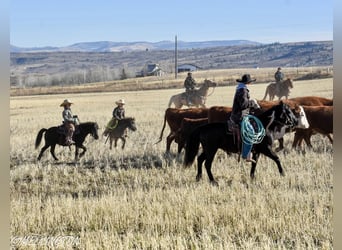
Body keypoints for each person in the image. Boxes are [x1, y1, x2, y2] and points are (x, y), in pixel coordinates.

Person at [230, 74, 258, 163]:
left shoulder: (241, 88)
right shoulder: (243, 90)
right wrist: (253, 103)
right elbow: (243, 105)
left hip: (239, 115)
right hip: (240, 116)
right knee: (251, 133)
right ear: (248, 82)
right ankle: (246, 155)